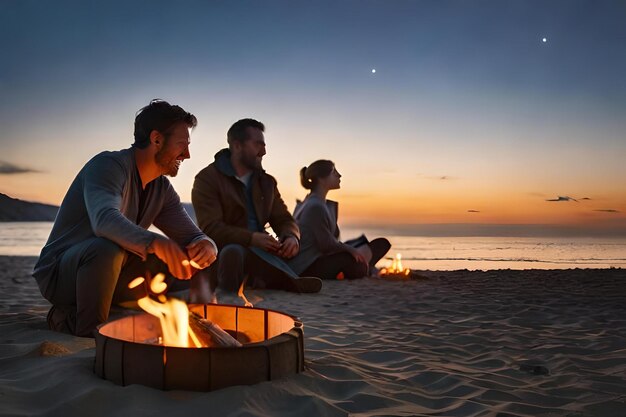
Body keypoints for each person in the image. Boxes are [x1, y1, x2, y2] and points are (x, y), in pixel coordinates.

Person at [33, 99, 218, 337]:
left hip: (117, 273)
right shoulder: (109, 166)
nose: (188, 155)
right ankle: (82, 326)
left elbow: (193, 235)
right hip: (63, 275)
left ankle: (161, 319)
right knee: (106, 248)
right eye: (182, 145)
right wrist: (156, 242)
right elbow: (105, 220)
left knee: (185, 259)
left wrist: (207, 246)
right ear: (156, 139)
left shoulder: (161, 189)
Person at [192, 118, 322, 294]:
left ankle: (269, 278)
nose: (264, 152)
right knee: (233, 252)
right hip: (227, 252)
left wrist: (291, 237)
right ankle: (289, 281)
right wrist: (251, 238)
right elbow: (211, 228)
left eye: (264, 145)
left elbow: (283, 218)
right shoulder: (207, 179)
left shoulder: (267, 183)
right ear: (237, 146)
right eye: (258, 145)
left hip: (265, 249)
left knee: (302, 247)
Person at [288, 160, 391, 280]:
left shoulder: (313, 202)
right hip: (307, 266)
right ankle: (364, 265)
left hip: (318, 257)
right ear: (321, 179)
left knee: (381, 244)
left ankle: (364, 263)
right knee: (355, 263)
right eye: (334, 172)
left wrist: (352, 249)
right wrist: (351, 250)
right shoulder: (315, 206)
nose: (339, 175)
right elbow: (326, 245)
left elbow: (330, 241)